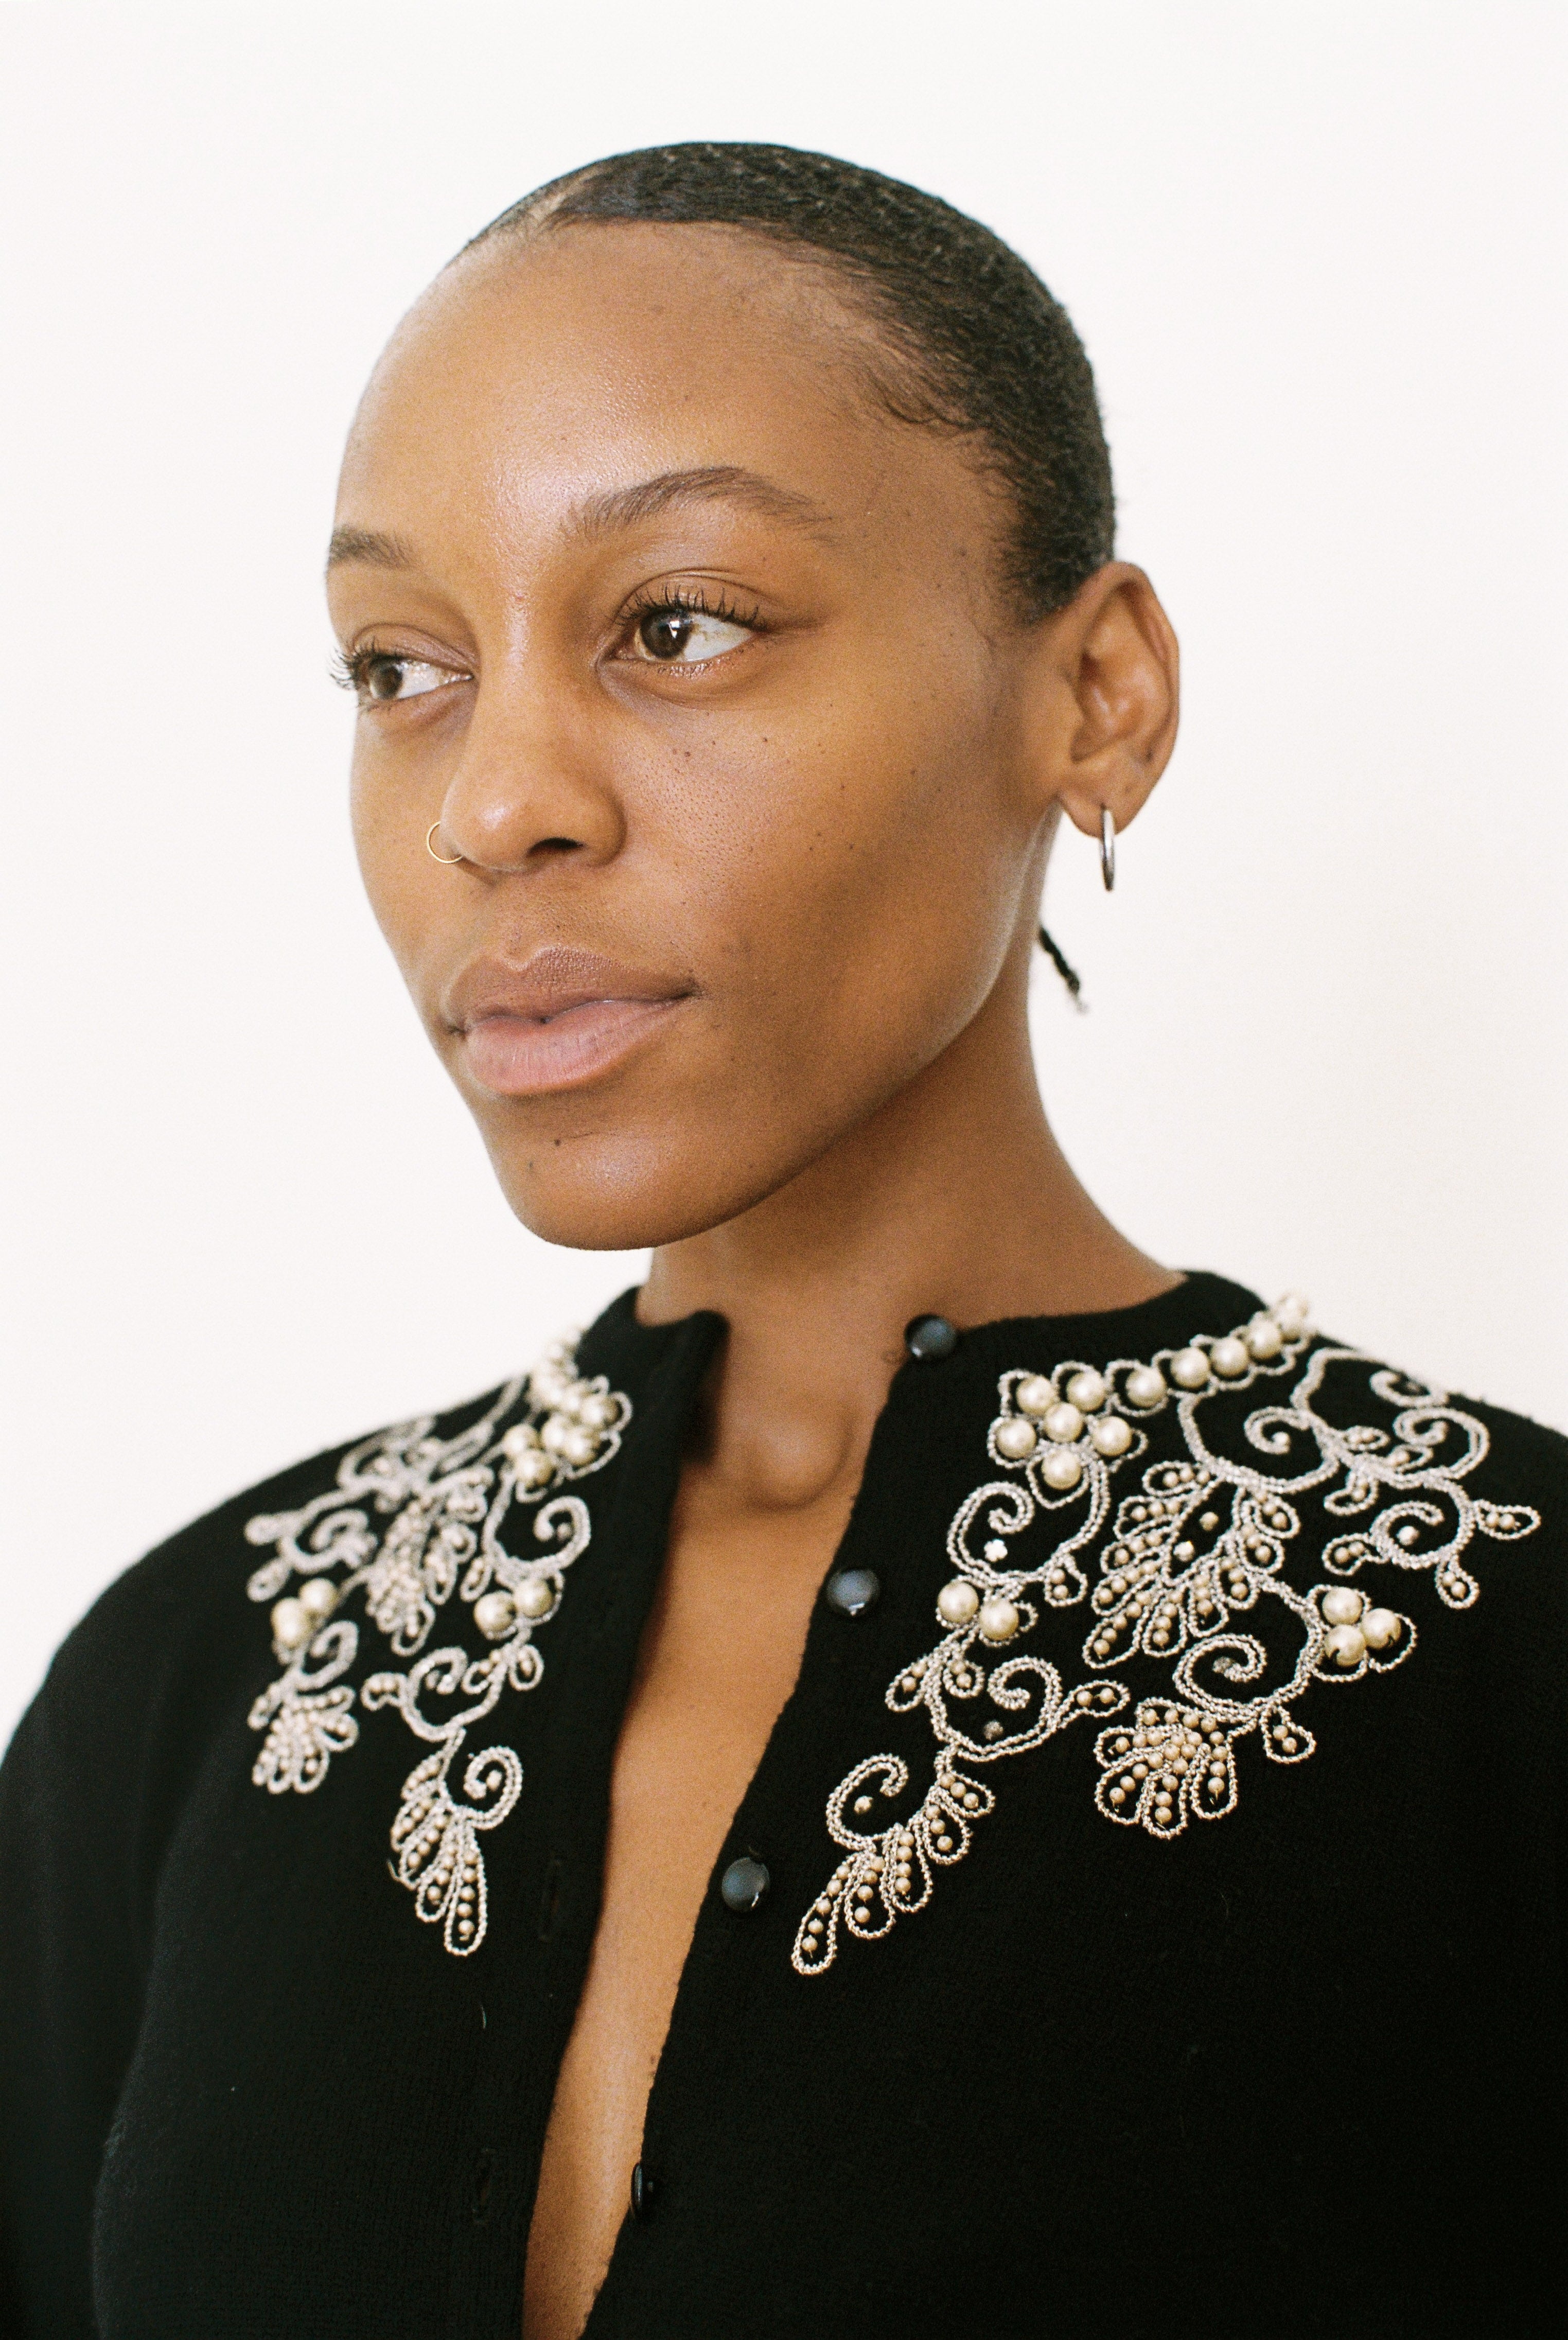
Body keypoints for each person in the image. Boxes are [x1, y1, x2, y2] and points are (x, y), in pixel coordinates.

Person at [1, 142, 1561, 2340]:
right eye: (397, 666)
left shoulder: (1514, 1667)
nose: (495, 799)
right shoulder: (193, 1695)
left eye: (677, 623)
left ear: (1094, 694)